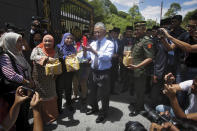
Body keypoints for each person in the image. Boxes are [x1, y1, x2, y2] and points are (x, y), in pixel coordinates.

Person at [0, 32, 33, 131]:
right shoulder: (5, 56)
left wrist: (29, 80)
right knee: (18, 116)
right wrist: (26, 82)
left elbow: (26, 68)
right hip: (15, 92)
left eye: (21, 41)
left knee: (25, 112)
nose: (21, 44)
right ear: (10, 42)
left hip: (24, 87)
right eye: (18, 41)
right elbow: (10, 74)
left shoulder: (18, 53)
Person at [83, 22, 114, 123]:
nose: (96, 34)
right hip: (93, 71)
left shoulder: (109, 43)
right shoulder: (93, 43)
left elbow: (106, 58)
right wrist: (85, 50)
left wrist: (92, 50)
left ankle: (103, 113)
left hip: (104, 72)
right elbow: (87, 57)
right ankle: (94, 108)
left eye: (98, 32)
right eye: (95, 32)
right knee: (91, 92)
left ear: (104, 32)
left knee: (104, 95)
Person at [127, 21, 154, 116]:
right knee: (136, 89)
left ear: (144, 29)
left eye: (138, 29)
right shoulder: (138, 40)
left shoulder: (147, 41)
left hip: (140, 71)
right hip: (134, 70)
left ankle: (139, 108)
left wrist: (137, 66)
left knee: (140, 91)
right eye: (135, 29)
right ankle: (138, 103)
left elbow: (150, 58)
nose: (136, 31)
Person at [30, 34, 59, 124]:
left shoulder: (54, 51)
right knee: (41, 96)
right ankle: (41, 117)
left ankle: (52, 116)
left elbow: (56, 62)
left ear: (53, 42)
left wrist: (55, 73)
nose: (47, 43)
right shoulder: (37, 49)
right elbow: (32, 57)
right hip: (39, 78)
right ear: (42, 41)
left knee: (51, 95)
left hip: (50, 78)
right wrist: (46, 58)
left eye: (49, 41)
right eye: (45, 41)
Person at [55, 33, 76, 113]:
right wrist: (64, 57)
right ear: (64, 38)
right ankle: (59, 107)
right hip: (60, 72)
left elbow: (75, 59)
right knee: (59, 90)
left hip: (69, 72)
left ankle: (69, 104)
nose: (69, 40)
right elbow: (55, 57)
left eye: (71, 38)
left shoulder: (73, 48)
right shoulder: (58, 46)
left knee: (68, 89)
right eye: (67, 38)